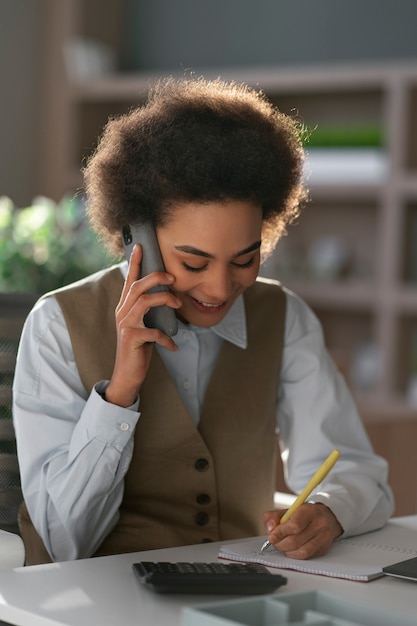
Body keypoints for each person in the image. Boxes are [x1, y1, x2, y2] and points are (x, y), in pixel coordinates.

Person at [13, 76, 394, 565]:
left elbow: (357, 472)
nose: (219, 289)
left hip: (240, 594)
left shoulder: (285, 318)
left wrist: (329, 510)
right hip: (101, 600)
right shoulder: (57, 325)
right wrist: (121, 392)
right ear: (139, 239)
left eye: (245, 259)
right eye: (193, 263)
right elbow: (63, 542)